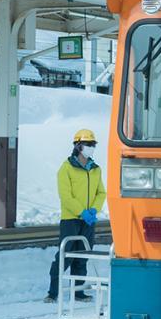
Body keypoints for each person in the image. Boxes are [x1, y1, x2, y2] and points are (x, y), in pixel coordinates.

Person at [46, 128, 106, 303]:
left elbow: (101, 192)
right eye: (88, 144)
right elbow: (66, 196)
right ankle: (53, 292)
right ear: (78, 146)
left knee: (83, 255)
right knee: (66, 255)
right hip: (71, 219)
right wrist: (81, 212)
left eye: (93, 145)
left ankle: (78, 291)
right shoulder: (66, 169)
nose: (91, 148)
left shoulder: (95, 169)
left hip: (88, 221)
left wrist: (94, 210)